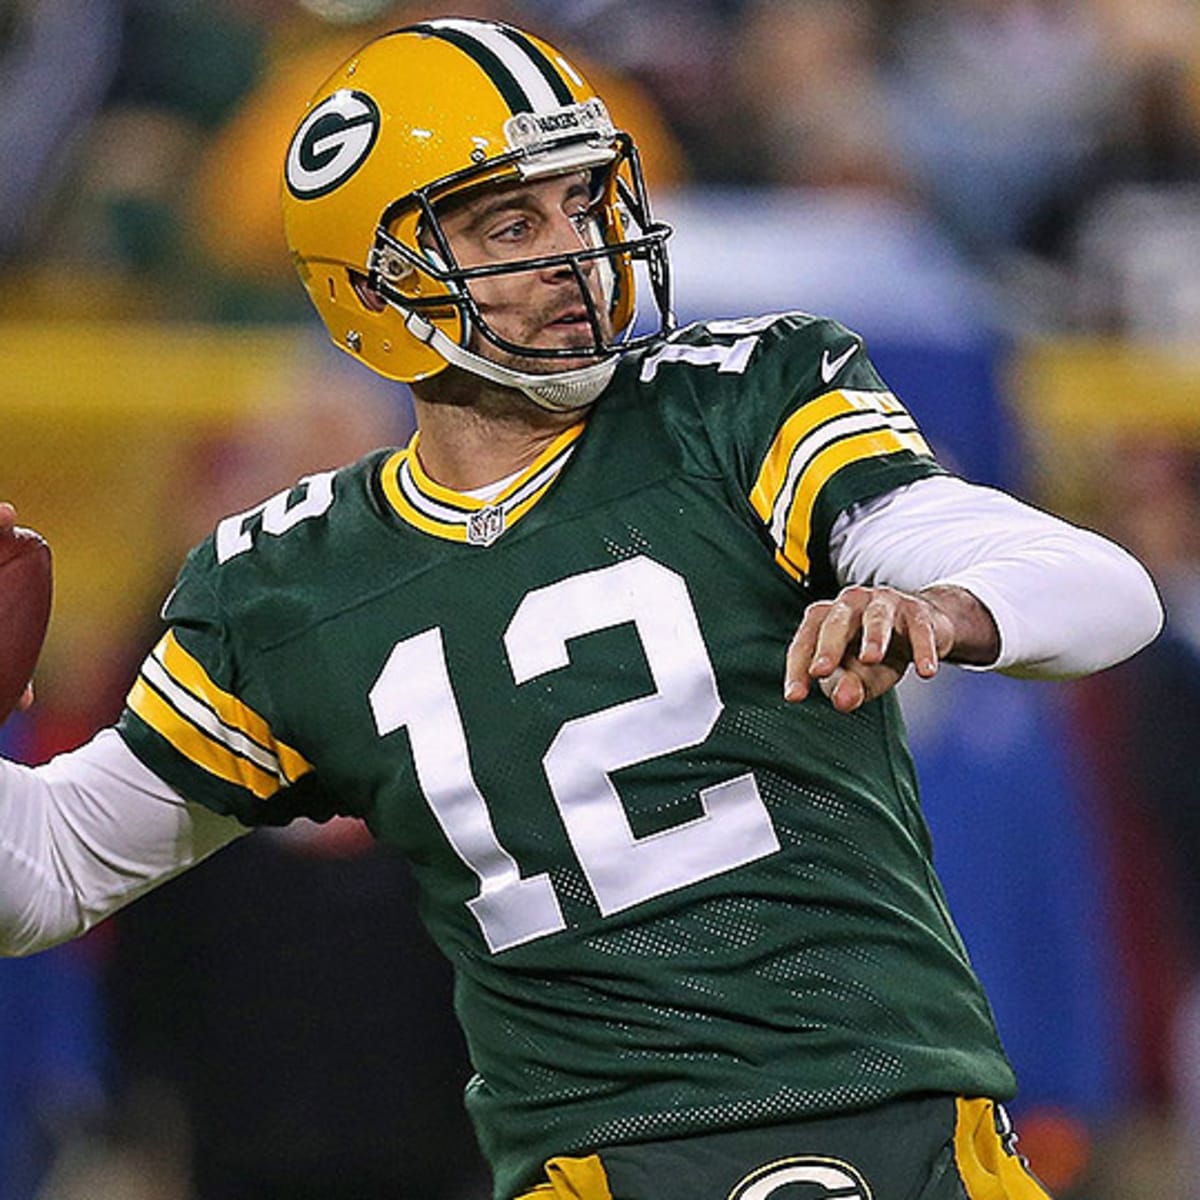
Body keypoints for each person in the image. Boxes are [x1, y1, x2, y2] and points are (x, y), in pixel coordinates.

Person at [0, 17, 1164, 1200]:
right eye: (512, 223)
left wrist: (953, 606)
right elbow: (43, 873)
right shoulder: (287, 582)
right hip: (592, 1172)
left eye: (585, 203)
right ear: (374, 286)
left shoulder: (740, 406)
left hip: (906, 1140)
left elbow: (1107, 593)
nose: (575, 251)